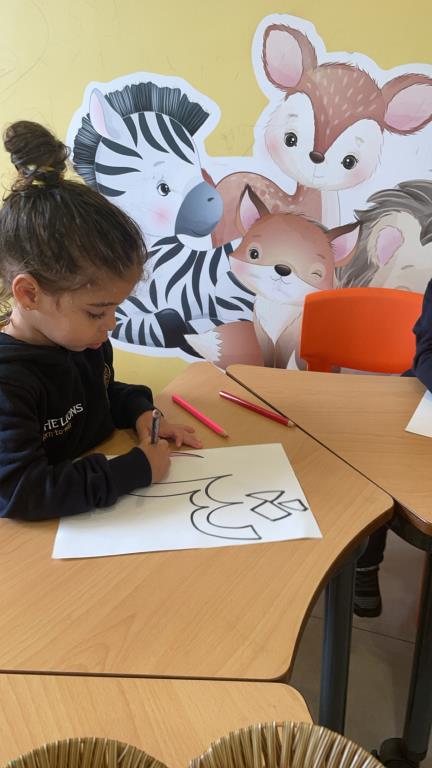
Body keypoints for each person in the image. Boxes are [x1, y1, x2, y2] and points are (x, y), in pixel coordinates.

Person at [0, 120, 202, 521]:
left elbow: (99, 396)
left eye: (114, 309)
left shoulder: (78, 339)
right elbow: (21, 491)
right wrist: (135, 470)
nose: (110, 325)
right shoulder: (8, 383)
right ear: (30, 294)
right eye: (97, 311)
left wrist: (141, 412)